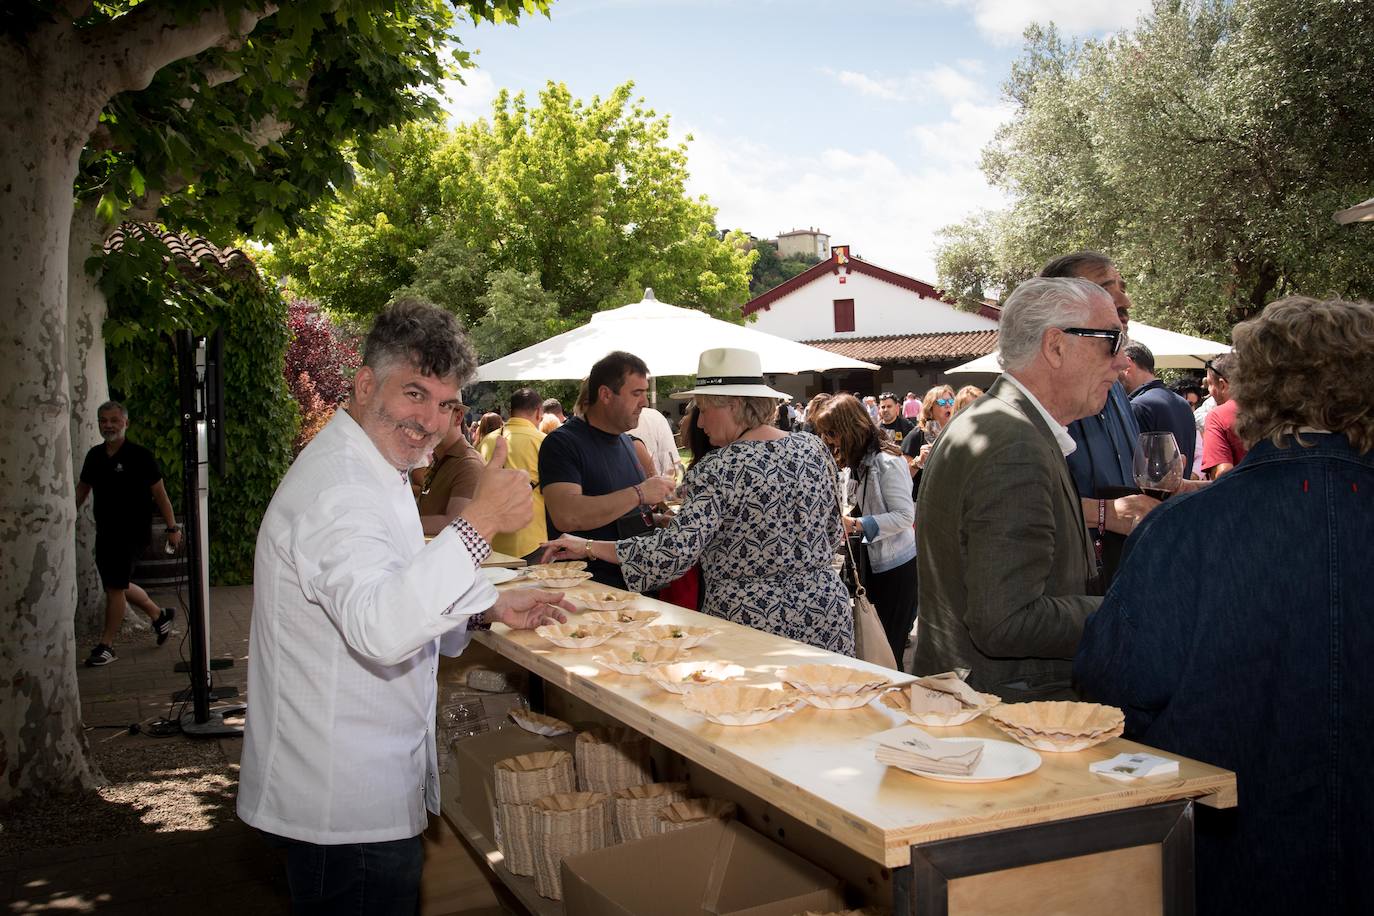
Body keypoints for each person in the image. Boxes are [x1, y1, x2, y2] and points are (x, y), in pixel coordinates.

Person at [237, 299, 572, 913]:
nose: (430, 420)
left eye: (445, 404)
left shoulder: (374, 464)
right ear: (366, 384)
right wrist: (480, 525)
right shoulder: (340, 486)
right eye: (414, 394)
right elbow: (383, 627)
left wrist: (487, 608)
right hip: (345, 802)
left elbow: (396, 581)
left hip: (359, 789)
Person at [1075, 295, 1374, 916]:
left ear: (1253, 390)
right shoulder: (1187, 525)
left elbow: (1114, 682)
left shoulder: (1186, 528)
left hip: (1229, 853)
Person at [543, 348, 854, 655]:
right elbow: (831, 530)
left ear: (734, 406)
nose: (700, 423)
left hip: (753, 620)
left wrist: (587, 547)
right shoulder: (813, 447)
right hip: (825, 610)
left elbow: (672, 555)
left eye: (703, 410)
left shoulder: (717, 468)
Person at [914, 277, 1127, 700]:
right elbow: (1005, 622)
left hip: (982, 701)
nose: (1123, 361)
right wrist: (1128, 610)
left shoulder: (995, 421)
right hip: (1009, 713)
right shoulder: (1014, 444)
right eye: (1111, 340)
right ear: (1055, 346)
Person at [538, 352, 676, 590]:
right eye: (636, 393)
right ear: (605, 395)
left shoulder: (625, 441)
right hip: (591, 592)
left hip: (635, 588)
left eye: (645, 393)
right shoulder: (562, 443)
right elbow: (566, 515)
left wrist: (654, 520)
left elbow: (618, 517)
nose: (645, 402)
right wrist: (640, 493)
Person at [812, 394, 918, 667]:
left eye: (831, 433)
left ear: (849, 430)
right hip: (876, 565)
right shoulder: (862, 462)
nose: (829, 440)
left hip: (897, 570)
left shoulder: (885, 462)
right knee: (874, 647)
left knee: (887, 651)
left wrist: (858, 524)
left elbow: (905, 515)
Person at [77, 400, 182, 667]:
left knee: (114, 587)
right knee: (117, 584)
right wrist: (66, 516)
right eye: (103, 420)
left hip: (133, 534)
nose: (108, 425)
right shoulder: (94, 456)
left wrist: (172, 528)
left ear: (126, 423)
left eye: (114, 420)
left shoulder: (141, 456)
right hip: (105, 532)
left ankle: (106, 646)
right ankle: (159, 615)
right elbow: (82, 490)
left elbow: (160, 494)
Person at [477, 387, 547, 563]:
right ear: (539, 412)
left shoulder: (487, 441)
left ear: (510, 410)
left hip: (492, 539)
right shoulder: (543, 441)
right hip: (532, 538)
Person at [1119, 341, 1198, 475]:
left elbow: (1136, 468)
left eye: (1117, 367)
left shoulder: (1138, 406)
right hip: (1182, 492)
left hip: (1151, 493)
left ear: (1128, 365)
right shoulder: (1183, 404)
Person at [416, 400, 485, 536]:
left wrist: (397, 525)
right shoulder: (442, 459)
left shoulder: (469, 464)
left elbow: (459, 523)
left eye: (438, 411)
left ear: (458, 417)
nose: (424, 422)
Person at [1201, 353, 1247, 478]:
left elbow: (1223, 473)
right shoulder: (1271, 409)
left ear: (1222, 384)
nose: (1209, 391)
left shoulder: (1216, 416)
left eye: (1210, 384)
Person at [630, 403, 680, 477]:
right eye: (636, 393)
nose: (645, 402)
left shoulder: (654, 417)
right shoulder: (654, 417)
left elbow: (673, 467)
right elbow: (674, 467)